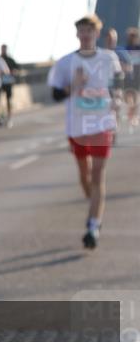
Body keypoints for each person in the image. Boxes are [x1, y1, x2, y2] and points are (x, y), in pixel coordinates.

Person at [47, 14, 124, 249]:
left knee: (99, 175)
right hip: (77, 126)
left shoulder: (109, 58)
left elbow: (118, 84)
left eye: (90, 30)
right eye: (82, 30)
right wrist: (75, 85)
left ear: (96, 34)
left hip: (101, 125)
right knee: (84, 174)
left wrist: (117, 102)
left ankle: (93, 225)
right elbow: (55, 95)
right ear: (77, 34)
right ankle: (94, 207)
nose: (86, 34)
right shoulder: (66, 62)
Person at [0, 44, 20, 126]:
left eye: (4, 49)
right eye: (2, 49)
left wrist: (13, 72)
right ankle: (1, 116)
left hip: (8, 82)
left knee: (8, 100)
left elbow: (17, 69)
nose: (3, 50)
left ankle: (9, 117)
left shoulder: (11, 60)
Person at [123, 27, 140, 128]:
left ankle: (133, 115)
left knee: (136, 96)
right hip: (128, 76)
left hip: (138, 75)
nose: (132, 38)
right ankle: (130, 113)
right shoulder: (125, 48)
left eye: (134, 36)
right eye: (130, 37)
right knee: (129, 95)